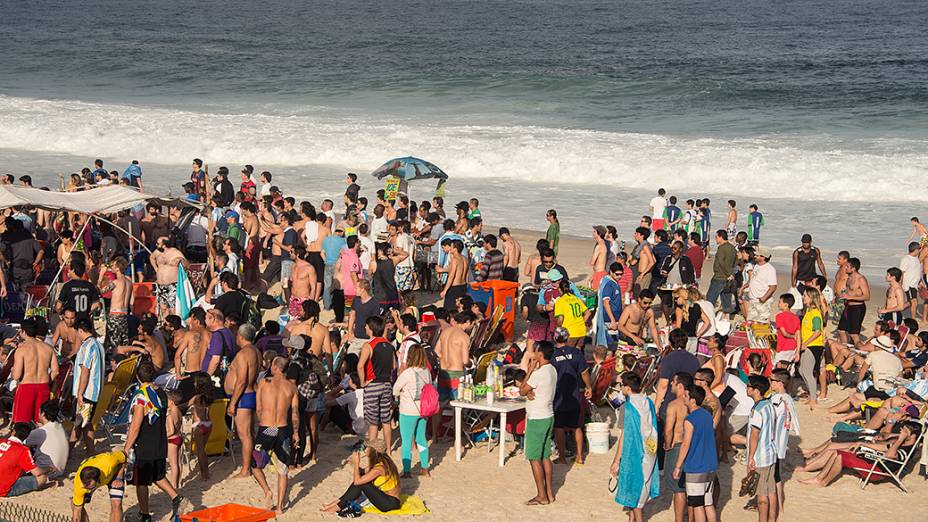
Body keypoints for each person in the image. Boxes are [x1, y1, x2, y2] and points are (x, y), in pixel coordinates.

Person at [123, 360, 189, 522]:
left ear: (138, 377)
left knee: (141, 482)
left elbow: (136, 426)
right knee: (158, 476)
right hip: (160, 442)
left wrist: (126, 448)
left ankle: (144, 515)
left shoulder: (141, 396)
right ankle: (176, 497)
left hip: (145, 444)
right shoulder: (160, 392)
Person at [252, 356, 300, 514]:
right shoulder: (292, 387)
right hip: (283, 429)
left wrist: (264, 421)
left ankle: (267, 490)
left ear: (275, 367)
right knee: (283, 470)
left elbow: (258, 409)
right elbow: (294, 413)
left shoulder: (264, 383)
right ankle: (279, 507)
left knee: (255, 465)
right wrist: (296, 433)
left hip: (267, 428)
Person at [610, 372, 659, 522]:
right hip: (650, 450)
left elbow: (624, 436)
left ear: (627, 388)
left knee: (635, 492)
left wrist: (616, 461)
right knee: (642, 487)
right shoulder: (648, 402)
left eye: (621, 386)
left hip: (634, 453)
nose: (620, 389)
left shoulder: (628, 407)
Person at [320, 437, 401, 517]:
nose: (364, 450)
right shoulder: (381, 462)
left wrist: (356, 464)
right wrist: (353, 463)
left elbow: (357, 482)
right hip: (388, 499)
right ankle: (336, 503)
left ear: (373, 451)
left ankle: (336, 507)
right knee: (362, 478)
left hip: (390, 504)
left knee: (362, 483)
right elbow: (362, 472)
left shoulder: (379, 468)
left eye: (367, 448)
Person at [672, 386, 718, 522]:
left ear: (692, 400)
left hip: (696, 467)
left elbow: (686, 445)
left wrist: (678, 466)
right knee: (708, 503)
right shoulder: (707, 415)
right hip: (710, 465)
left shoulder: (690, 419)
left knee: (697, 505)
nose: (683, 397)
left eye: (686, 395)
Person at [520, 341, 558, 505]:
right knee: (545, 457)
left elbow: (522, 389)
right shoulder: (552, 370)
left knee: (534, 458)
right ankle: (549, 493)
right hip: (548, 415)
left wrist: (529, 371)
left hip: (537, 418)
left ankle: (541, 495)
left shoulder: (538, 373)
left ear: (540, 354)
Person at [550, 328, 593, 465]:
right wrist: (588, 386)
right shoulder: (576, 353)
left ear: (555, 338)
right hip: (574, 394)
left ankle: (562, 457)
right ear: (567, 338)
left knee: (559, 427)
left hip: (558, 396)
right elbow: (584, 372)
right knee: (576, 426)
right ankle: (579, 457)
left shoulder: (552, 355)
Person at [225, 324, 260, 478]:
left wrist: (233, 402)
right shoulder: (256, 351)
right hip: (250, 394)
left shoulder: (244, 354)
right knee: (249, 433)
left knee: (244, 435)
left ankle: (245, 470)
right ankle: (250, 464)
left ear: (240, 336)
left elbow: (241, 381)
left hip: (243, 396)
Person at [393, 344, 432, 477]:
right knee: (422, 438)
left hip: (408, 411)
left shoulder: (408, 373)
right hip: (423, 410)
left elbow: (395, 389)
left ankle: (407, 471)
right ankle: (425, 467)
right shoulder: (426, 372)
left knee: (407, 441)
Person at [357, 316, 395, 451]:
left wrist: (362, 383)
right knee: (386, 419)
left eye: (367, 326)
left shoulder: (368, 345)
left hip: (373, 384)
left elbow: (360, 366)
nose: (365, 328)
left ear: (371, 328)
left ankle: (373, 450)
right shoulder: (389, 345)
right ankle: (389, 448)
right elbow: (394, 366)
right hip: (386, 384)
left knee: (373, 422)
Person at [11, 317, 58, 425]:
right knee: (41, 422)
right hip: (43, 386)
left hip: (26, 387)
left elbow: (16, 376)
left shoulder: (21, 349)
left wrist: (13, 370)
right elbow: (55, 371)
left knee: (22, 423)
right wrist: (47, 380)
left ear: (24, 332)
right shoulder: (48, 348)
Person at [662, 372, 694, 522]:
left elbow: (669, 430)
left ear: (680, 386)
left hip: (678, 445)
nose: (670, 385)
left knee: (678, 488)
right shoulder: (694, 402)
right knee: (691, 487)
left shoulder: (674, 405)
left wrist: (667, 446)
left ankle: (679, 520)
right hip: (692, 445)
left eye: (673, 382)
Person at [746, 376, 778, 522]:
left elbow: (754, 435)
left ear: (756, 390)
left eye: (749, 386)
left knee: (761, 496)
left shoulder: (757, 410)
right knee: (770, 489)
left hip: (761, 456)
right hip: (771, 453)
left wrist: (750, 458)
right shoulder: (769, 404)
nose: (746, 388)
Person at [71, 318, 104, 454]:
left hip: (87, 393)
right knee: (86, 423)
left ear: (80, 330)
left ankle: (67, 454)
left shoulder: (87, 346)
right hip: (94, 392)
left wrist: (79, 393)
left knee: (78, 425)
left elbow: (85, 370)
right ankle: (90, 451)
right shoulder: (98, 345)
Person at [71, 450, 128, 522]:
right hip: (98, 476)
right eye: (86, 486)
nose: (87, 489)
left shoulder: (108, 461)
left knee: (116, 504)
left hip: (114, 474)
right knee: (76, 504)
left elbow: (124, 455)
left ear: (97, 480)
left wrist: (119, 477)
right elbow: (77, 510)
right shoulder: (80, 484)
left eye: (90, 487)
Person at [0, 423, 51, 498]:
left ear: (13, 432)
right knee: (42, 478)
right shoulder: (23, 450)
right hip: (3, 489)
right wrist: (49, 468)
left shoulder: (1, 441)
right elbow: (37, 472)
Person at [796, 288, 826, 408]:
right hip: (808, 345)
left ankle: (813, 399)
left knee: (808, 372)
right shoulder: (808, 311)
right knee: (801, 370)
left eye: (805, 296)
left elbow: (818, 331)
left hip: (814, 345)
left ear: (812, 298)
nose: (803, 297)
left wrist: (806, 343)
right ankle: (811, 394)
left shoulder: (815, 313)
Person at [23, 401, 69, 479]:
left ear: (43, 414)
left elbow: (21, 443)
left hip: (46, 472)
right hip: (61, 470)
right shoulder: (60, 427)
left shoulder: (41, 432)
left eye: (39, 412)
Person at [835, 257, 870, 345]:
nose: (845, 268)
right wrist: (841, 297)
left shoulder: (860, 279)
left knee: (853, 334)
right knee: (841, 330)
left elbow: (867, 296)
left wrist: (850, 297)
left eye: (847, 266)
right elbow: (848, 292)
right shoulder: (849, 278)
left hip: (857, 308)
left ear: (853, 268)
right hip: (848, 307)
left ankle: (860, 348)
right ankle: (844, 349)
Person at [706, 230, 737, 315]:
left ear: (720, 237)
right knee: (726, 300)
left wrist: (728, 274)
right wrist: (732, 274)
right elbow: (735, 263)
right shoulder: (732, 248)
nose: (715, 239)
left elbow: (721, 262)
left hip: (719, 277)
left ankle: (709, 317)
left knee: (710, 300)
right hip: (728, 278)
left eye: (716, 237)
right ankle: (726, 319)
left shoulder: (721, 248)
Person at [553, 279, 591, 347]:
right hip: (581, 331)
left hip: (570, 332)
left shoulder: (560, 301)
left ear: (560, 289)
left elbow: (560, 318)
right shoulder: (576, 299)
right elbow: (588, 313)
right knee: (577, 353)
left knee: (568, 354)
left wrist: (557, 328)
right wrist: (581, 322)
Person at [747, 246, 778, 322]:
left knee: (762, 323)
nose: (755, 256)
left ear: (763, 257)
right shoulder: (757, 266)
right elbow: (753, 280)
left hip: (762, 301)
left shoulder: (770, 269)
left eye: (757, 255)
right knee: (751, 321)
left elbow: (773, 286)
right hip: (753, 300)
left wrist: (764, 298)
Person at [773, 294, 801, 367]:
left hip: (782, 347)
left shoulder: (779, 316)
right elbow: (798, 336)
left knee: (777, 369)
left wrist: (792, 336)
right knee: (789, 369)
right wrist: (797, 352)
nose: (778, 304)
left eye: (780, 302)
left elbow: (784, 333)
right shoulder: (796, 318)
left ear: (786, 305)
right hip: (793, 348)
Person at [900, 241, 923, 319]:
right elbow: (902, 273)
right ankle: (913, 319)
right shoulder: (906, 259)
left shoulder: (916, 259)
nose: (920, 250)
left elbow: (917, 272)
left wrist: (920, 282)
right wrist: (900, 285)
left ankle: (898, 308)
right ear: (916, 250)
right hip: (908, 285)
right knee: (914, 302)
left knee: (911, 302)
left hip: (915, 284)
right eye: (919, 249)